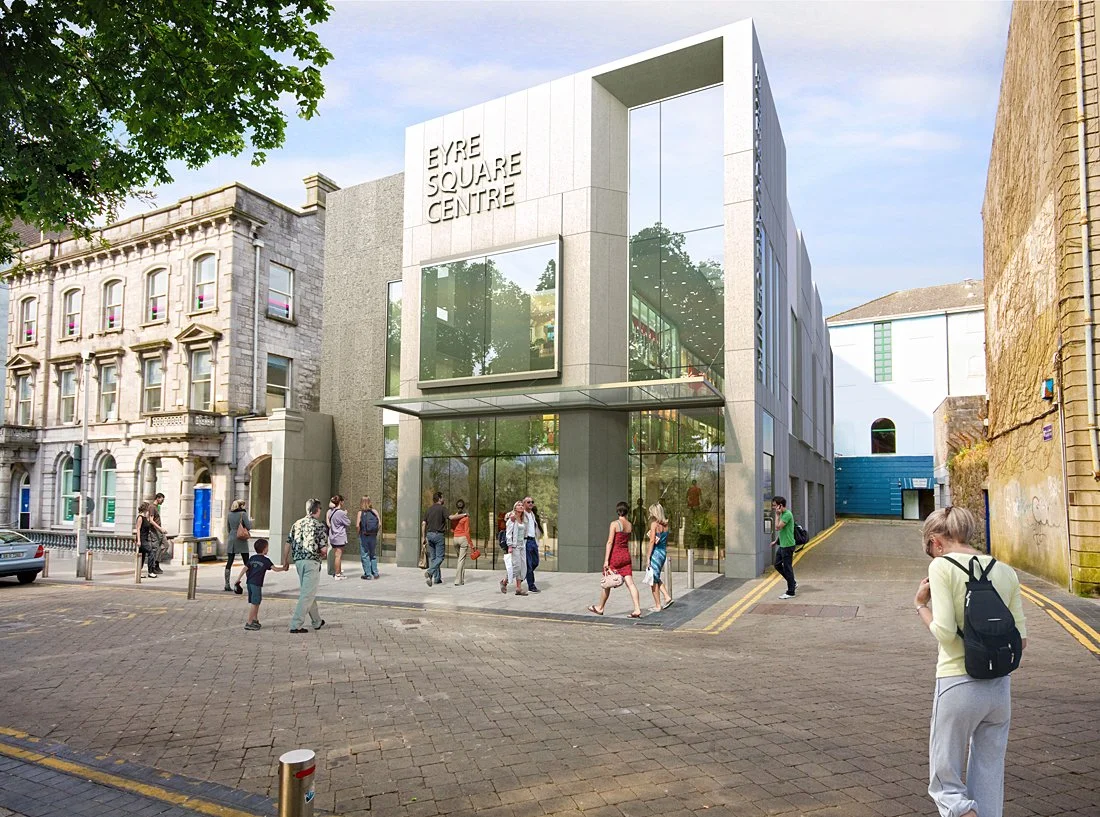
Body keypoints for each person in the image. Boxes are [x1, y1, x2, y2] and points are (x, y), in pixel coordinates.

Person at [915, 506, 1027, 817]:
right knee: (990, 773)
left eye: (930, 550)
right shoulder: (1006, 571)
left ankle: (962, 812)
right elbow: (1023, 639)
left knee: (944, 781)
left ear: (937, 542)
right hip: (999, 690)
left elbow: (946, 633)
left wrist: (920, 606)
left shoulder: (942, 568)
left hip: (957, 683)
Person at [587, 501, 642, 618]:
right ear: (627, 511)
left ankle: (600, 607)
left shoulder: (614, 524)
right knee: (631, 584)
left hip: (615, 556)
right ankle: (637, 609)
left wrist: (606, 560)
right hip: (626, 556)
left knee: (606, 583)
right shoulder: (629, 525)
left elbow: (610, 542)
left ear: (618, 511)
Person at [283, 498, 328, 633]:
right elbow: (324, 550)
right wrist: (323, 554)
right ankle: (296, 624)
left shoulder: (296, 524)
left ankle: (317, 621)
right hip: (312, 562)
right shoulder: (319, 526)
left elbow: (287, 543)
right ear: (317, 510)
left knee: (308, 591)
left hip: (298, 562)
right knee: (307, 595)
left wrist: (285, 561)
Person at [244, 538, 288, 630]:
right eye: (267, 547)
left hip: (249, 583)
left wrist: (238, 580)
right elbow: (275, 569)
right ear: (264, 549)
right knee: (255, 603)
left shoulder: (252, 558)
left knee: (255, 602)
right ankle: (249, 622)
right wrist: (284, 569)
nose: (268, 549)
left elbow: (245, 569)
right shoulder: (265, 560)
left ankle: (255, 620)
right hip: (256, 584)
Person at [646, 503, 673, 611]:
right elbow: (662, 540)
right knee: (655, 577)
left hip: (655, 554)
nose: (650, 514)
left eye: (651, 512)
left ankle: (658, 605)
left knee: (652, 579)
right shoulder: (666, 525)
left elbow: (652, 541)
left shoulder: (654, 525)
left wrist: (648, 557)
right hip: (662, 552)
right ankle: (667, 596)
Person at [771, 496, 797, 599]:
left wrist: (777, 515)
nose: (773, 507)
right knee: (777, 565)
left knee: (787, 568)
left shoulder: (787, 515)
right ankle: (793, 582)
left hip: (788, 546)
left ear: (780, 505)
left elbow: (778, 527)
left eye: (774, 505)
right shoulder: (783, 514)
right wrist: (776, 541)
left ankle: (791, 592)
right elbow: (783, 531)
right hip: (783, 545)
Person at [420, 491, 448, 587]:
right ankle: (430, 572)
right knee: (440, 557)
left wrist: (423, 537)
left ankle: (437, 578)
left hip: (429, 535)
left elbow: (423, 524)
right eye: (442, 497)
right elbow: (450, 517)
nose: (443, 499)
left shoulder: (429, 510)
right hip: (438, 535)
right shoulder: (442, 509)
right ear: (439, 498)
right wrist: (463, 515)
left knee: (434, 558)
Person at [225, 499, 252, 593]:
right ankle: (250, 583)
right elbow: (248, 527)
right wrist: (250, 521)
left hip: (232, 538)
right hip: (241, 539)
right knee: (247, 562)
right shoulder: (243, 514)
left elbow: (228, 528)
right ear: (241, 506)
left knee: (229, 561)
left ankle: (227, 584)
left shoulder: (229, 514)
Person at [505, 500, 528, 596]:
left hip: (522, 545)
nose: (521, 506)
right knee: (517, 566)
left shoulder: (523, 518)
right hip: (515, 546)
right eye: (519, 505)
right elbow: (508, 533)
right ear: (515, 508)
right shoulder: (512, 518)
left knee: (523, 567)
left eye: (522, 505)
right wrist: (510, 545)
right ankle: (504, 581)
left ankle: (518, 588)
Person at [327, 495, 351, 580]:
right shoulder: (340, 513)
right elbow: (348, 522)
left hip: (333, 536)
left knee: (337, 555)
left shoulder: (331, 512)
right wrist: (345, 514)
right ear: (340, 502)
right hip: (339, 536)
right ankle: (337, 574)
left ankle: (339, 572)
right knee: (338, 556)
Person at [356, 496, 381, 580]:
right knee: (373, 554)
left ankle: (368, 574)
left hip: (364, 535)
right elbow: (379, 524)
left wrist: (358, 533)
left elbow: (357, 525)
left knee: (365, 554)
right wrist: (375, 532)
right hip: (373, 536)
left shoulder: (360, 512)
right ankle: (375, 573)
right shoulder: (374, 511)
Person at [133, 501, 159, 578]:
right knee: (151, 552)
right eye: (148, 508)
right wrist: (139, 541)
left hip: (145, 539)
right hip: (142, 539)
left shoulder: (145, 518)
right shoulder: (140, 518)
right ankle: (150, 571)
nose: (148, 509)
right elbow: (138, 529)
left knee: (143, 556)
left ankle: (139, 572)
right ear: (145, 508)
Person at [523, 496, 541, 593]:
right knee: (529, 564)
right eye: (528, 502)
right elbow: (510, 514)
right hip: (526, 542)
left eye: (532, 502)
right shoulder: (522, 513)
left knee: (536, 562)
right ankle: (531, 585)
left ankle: (524, 574)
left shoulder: (532, 514)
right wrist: (509, 516)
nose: (530, 503)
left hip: (533, 541)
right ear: (524, 504)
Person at [450, 499, 470, 586]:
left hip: (455, 538)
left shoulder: (454, 517)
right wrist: (471, 544)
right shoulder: (465, 517)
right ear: (464, 506)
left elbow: (451, 529)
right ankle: (457, 580)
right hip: (463, 539)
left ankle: (461, 579)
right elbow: (467, 531)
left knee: (460, 559)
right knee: (461, 560)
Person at [148, 493, 168, 574]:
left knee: (166, 545)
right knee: (155, 548)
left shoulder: (156, 507)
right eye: (162, 499)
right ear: (157, 498)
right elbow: (151, 520)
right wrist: (160, 528)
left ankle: (156, 562)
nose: (163, 501)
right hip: (154, 531)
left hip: (159, 531)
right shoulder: (152, 507)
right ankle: (154, 566)